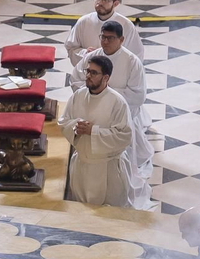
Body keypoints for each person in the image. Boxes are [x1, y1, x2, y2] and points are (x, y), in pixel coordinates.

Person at [59, 55, 145, 209]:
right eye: (87, 71)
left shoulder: (117, 102)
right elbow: (63, 121)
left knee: (109, 218)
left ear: (106, 77)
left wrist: (93, 131)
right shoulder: (78, 96)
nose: (88, 76)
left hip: (108, 169)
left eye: (93, 73)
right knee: (81, 212)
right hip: (82, 166)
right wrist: (75, 127)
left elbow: (124, 135)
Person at [70, 20, 152, 177]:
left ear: (121, 40)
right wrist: (93, 93)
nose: (105, 41)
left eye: (110, 38)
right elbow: (75, 79)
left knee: (117, 166)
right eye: (103, 37)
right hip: (93, 113)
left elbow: (138, 95)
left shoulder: (132, 62)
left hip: (119, 117)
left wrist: (105, 94)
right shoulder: (92, 57)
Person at [65, 0, 144, 65]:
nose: (99, 3)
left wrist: (109, 58)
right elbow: (71, 48)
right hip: (89, 75)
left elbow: (136, 58)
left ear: (116, 3)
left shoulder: (126, 25)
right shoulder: (84, 22)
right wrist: (86, 53)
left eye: (105, 0)